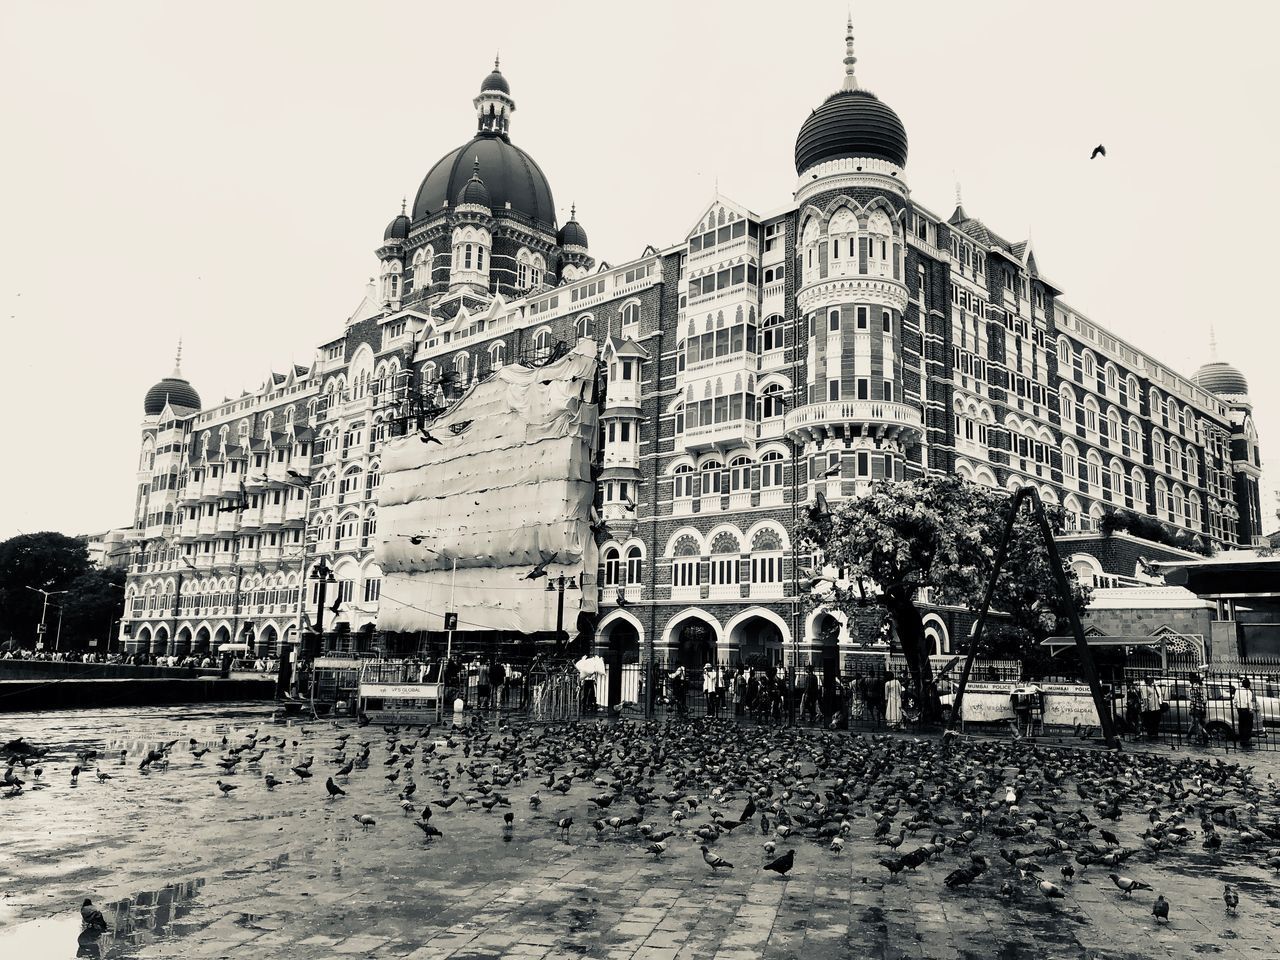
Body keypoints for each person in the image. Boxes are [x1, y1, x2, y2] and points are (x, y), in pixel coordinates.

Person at [1234, 678, 1257, 749]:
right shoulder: (1248, 692)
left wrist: (1237, 707)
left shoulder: (1238, 690)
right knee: (1248, 725)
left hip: (1240, 709)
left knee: (1241, 724)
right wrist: (1250, 709)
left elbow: (1235, 700)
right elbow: (1248, 702)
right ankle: (1246, 740)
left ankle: (1242, 740)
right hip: (1246, 709)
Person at [1187, 673, 1209, 745]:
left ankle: (1202, 736)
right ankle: (1189, 736)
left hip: (1195, 707)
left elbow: (1191, 698)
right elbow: (1204, 698)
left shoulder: (1193, 687)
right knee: (1197, 722)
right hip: (1201, 707)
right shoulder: (1202, 686)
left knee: (1196, 723)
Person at [1139, 677, 1164, 742]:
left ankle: (1155, 734)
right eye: (1150, 679)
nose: (1152, 681)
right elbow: (1145, 698)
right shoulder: (1145, 687)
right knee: (1150, 723)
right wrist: (1146, 708)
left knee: (1156, 722)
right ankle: (1151, 735)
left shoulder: (1154, 687)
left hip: (1156, 707)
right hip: (1150, 708)